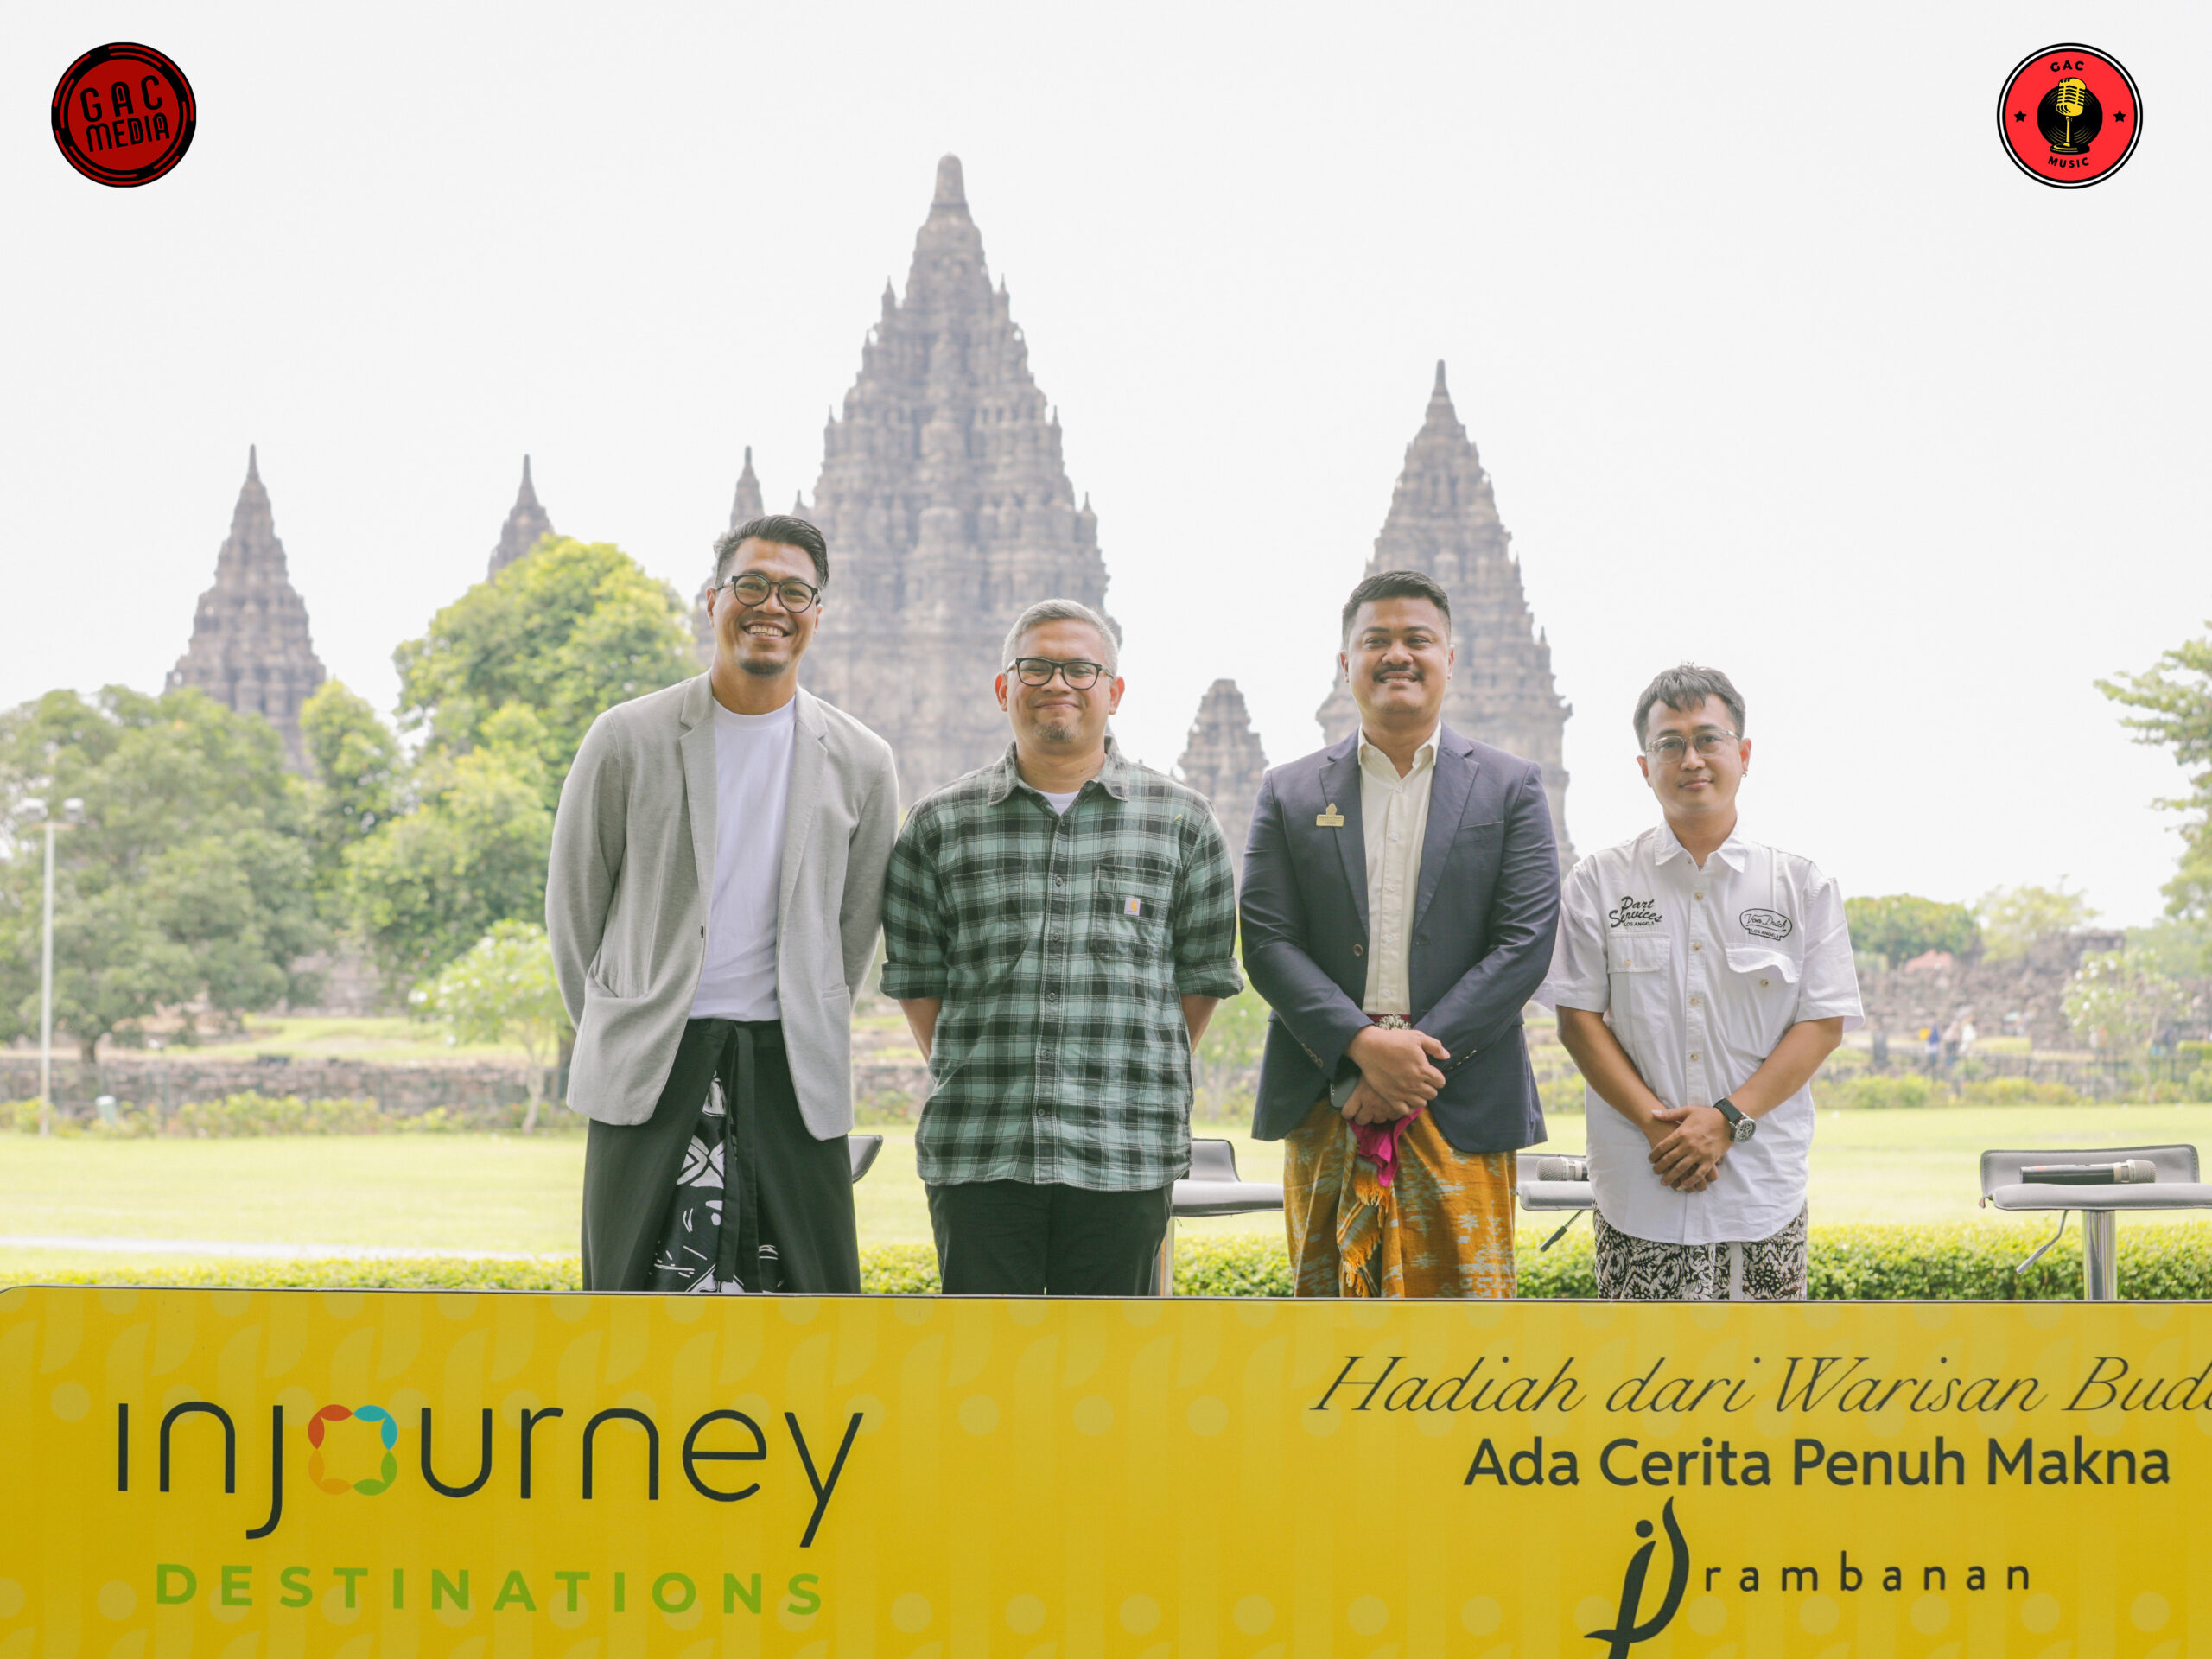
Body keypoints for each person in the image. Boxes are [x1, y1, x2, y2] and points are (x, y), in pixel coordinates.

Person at [549, 513, 899, 1293]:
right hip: (653, 1062)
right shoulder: (627, 738)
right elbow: (575, 906)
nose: (771, 605)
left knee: (812, 1305)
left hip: (791, 1068)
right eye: (751, 585)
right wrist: (624, 1019)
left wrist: (805, 1004)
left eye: (794, 592)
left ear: (817, 613)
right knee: (629, 1300)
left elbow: (855, 930)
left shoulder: (862, 762)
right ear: (712, 601)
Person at [880, 598, 1243, 1294]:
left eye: (1080, 669)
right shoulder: (938, 825)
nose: (1058, 684)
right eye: (1036, 667)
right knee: (983, 1376)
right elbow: (919, 982)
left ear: (1114, 691)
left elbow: (1200, 981)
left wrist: (1125, 1064)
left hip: (1125, 1147)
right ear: (1003, 688)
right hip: (980, 1147)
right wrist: (989, 1063)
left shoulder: (1181, 823)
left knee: (1109, 1375)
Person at [1240, 570, 1560, 1298]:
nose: (1397, 655)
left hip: (1460, 1092)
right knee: (1328, 1328)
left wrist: (1410, 1065)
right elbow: (1265, 938)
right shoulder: (1289, 792)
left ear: (1451, 657)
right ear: (1344, 662)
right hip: (1330, 1094)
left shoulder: (1509, 787)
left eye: (1418, 639)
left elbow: (1526, 943)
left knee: (1468, 1343)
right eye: (1375, 640)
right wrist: (1359, 1050)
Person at [1538, 664, 1861, 1300]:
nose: (1692, 759)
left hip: (1758, 1184)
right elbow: (1578, 1022)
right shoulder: (1600, 883)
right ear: (1644, 766)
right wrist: (1657, 1124)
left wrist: (1727, 1121)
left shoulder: (1801, 886)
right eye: (1670, 744)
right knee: (1640, 1383)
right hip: (1640, 1178)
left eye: (1709, 739)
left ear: (1743, 754)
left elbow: (1822, 1026)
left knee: (1763, 1381)